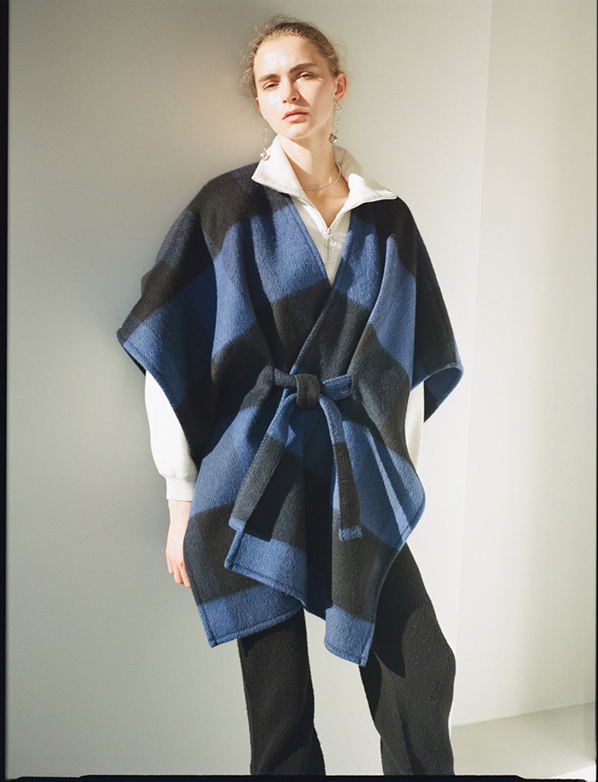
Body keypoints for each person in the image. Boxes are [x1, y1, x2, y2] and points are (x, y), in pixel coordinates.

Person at [117, 16, 463, 776]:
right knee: (279, 712)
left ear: (338, 85)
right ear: (259, 101)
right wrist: (179, 499)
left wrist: (397, 478)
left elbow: (406, 368)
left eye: (304, 74)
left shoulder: (387, 219)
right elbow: (167, 355)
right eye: (269, 82)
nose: (289, 93)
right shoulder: (227, 206)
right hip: (250, 477)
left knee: (421, 663)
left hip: (354, 472)